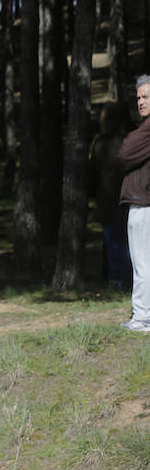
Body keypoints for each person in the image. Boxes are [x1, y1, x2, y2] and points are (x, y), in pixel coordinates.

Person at [116, 75, 150, 333]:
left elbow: (124, 154)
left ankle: (142, 317)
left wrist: (128, 141)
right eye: (139, 97)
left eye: (146, 96)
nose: (141, 101)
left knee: (142, 263)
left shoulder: (147, 130)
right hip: (143, 202)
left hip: (143, 204)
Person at [89, 104, 131, 291]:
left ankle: (117, 280)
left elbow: (93, 172)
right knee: (128, 241)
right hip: (129, 197)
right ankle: (129, 279)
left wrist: (91, 192)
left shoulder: (101, 143)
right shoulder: (129, 141)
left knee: (113, 240)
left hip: (109, 198)